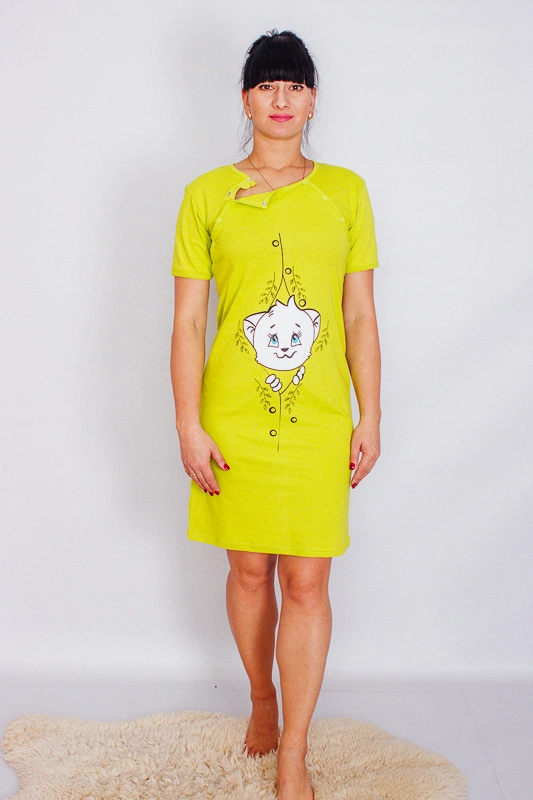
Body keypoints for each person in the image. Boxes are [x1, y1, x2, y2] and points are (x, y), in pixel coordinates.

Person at [170, 28, 381, 800]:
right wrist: (189, 425)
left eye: (294, 85)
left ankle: (294, 751)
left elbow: (357, 316)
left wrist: (370, 414)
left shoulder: (345, 193)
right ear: (245, 99)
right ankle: (261, 696)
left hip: (319, 420)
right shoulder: (205, 195)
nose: (281, 98)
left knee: (307, 581)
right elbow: (189, 322)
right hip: (231, 419)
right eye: (267, 85)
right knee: (249, 570)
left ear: (313, 99)